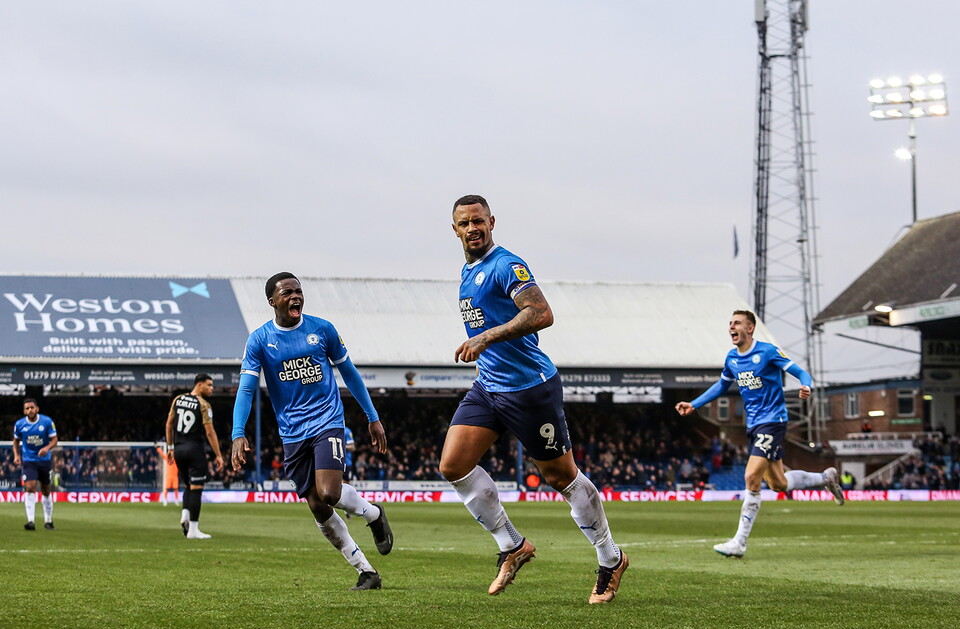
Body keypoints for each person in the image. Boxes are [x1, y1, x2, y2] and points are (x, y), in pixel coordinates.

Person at [442, 195, 626, 604]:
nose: (473, 228)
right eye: (464, 223)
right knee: (453, 465)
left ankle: (610, 558)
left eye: (478, 221)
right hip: (488, 387)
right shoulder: (467, 271)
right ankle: (512, 545)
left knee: (562, 477)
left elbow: (541, 312)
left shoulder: (507, 265)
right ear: (454, 230)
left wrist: (486, 336)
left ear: (492, 222)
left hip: (529, 389)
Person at [231, 272, 393, 591]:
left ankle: (373, 514)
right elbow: (246, 388)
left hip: (327, 421)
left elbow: (349, 372)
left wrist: (372, 416)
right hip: (292, 433)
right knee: (318, 507)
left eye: (299, 291)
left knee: (329, 493)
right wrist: (238, 431)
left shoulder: (322, 329)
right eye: (287, 293)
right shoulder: (260, 340)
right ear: (272, 301)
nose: (295, 297)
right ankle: (367, 572)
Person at [675, 310, 844, 558]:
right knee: (779, 484)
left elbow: (800, 372)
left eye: (737, 323)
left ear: (750, 328)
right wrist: (695, 404)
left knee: (751, 475)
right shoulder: (732, 358)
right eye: (730, 323)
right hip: (753, 426)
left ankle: (739, 543)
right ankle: (825, 478)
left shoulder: (767, 351)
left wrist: (806, 385)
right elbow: (722, 385)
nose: (731, 327)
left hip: (773, 422)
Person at [165, 373, 224, 539]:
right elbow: (210, 432)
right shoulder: (204, 405)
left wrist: (170, 447)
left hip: (178, 450)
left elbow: (169, 424)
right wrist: (218, 455)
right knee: (197, 488)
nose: (212, 388)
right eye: (209, 385)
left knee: (188, 486)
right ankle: (193, 530)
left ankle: (185, 514)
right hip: (194, 450)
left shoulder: (178, 399)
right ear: (199, 385)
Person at [13, 399, 58, 530]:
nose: (30, 410)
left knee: (46, 490)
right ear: (24, 411)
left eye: (32, 407)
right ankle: (30, 521)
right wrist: (16, 455)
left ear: (37, 408)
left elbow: (54, 440)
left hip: (45, 461)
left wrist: (47, 448)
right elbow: (15, 441)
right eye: (27, 408)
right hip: (29, 461)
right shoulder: (19, 424)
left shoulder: (47, 421)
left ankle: (48, 521)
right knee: (30, 487)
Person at [155, 443, 181, 507]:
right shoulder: (168, 458)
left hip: (175, 476)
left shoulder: (177, 459)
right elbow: (162, 454)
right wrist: (157, 447)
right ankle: (165, 500)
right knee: (166, 489)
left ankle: (176, 500)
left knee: (176, 489)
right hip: (169, 476)